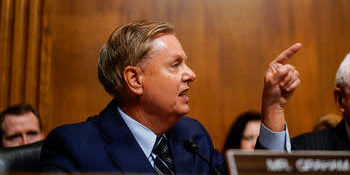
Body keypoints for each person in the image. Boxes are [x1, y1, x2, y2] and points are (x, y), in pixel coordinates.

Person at [41, 20, 301, 173]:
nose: (191, 74)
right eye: (175, 65)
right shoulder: (74, 146)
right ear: (135, 79)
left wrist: (273, 107)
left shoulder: (191, 136)